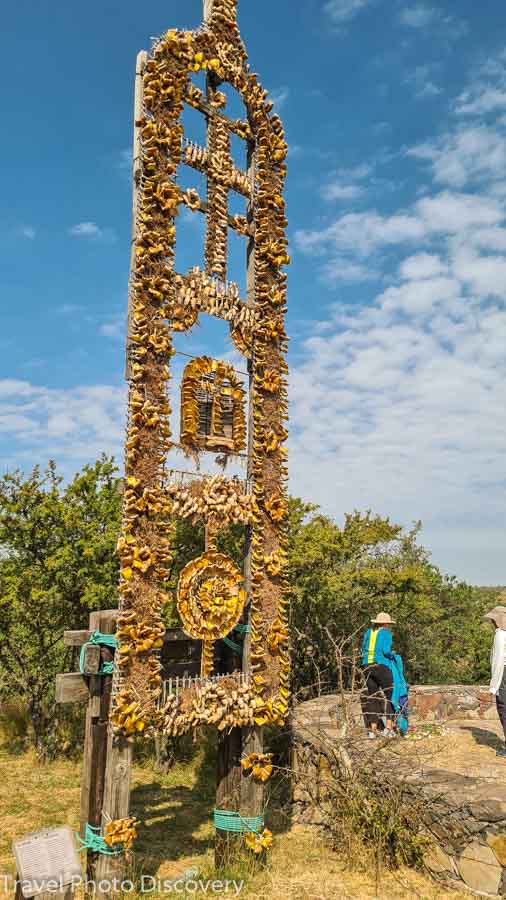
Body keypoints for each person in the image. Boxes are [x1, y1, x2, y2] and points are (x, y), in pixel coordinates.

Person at [361, 612, 398, 739]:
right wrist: (393, 655)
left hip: (366, 666)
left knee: (372, 697)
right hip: (381, 666)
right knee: (390, 695)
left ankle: (372, 731)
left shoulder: (368, 632)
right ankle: (388, 729)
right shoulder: (386, 633)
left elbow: (363, 648)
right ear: (386, 623)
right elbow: (386, 651)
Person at [483, 605, 506, 758]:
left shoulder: (500, 635)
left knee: (504, 709)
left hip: (504, 675)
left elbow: (498, 662)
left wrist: (493, 687)